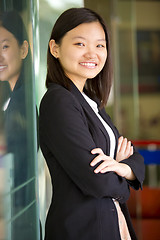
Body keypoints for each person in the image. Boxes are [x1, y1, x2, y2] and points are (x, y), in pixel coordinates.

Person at [39, 7, 145, 240]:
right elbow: (96, 180)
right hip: (81, 230)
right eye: (80, 44)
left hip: (109, 224)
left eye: (100, 45)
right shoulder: (59, 101)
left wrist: (123, 167)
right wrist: (125, 182)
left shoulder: (90, 102)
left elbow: (135, 157)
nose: (92, 54)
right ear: (54, 48)